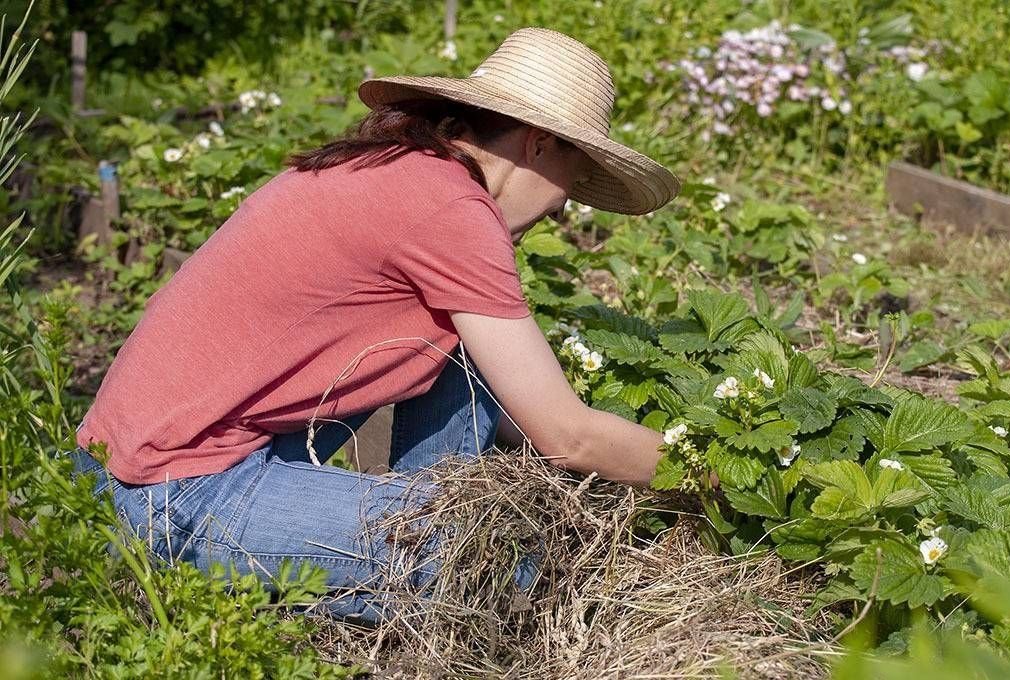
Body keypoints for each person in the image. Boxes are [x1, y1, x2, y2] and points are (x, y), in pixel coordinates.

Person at [69, 27, 680, 622]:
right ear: (538, 145)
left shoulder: (397, 169)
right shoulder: (447, 208)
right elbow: (568, 437)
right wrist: (707, 472)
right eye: (574, 181)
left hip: (123, 467)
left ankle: (424, 521)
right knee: (500, 559)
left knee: (465, 347)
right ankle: (418, 569)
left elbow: (520, 409)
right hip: (168, 497)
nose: (566, 205)